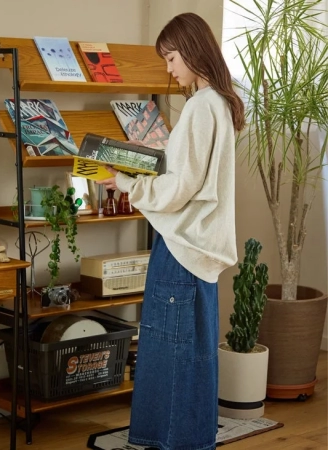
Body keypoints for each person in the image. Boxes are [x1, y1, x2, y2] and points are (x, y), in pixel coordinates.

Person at [96, 12, 245, 450]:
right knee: (191, 352)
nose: (169, 68)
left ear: (194, 51)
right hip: (198, 250)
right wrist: (152, 154)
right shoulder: (217, 102)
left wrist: (125, 183)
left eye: (173, 57)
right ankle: (187, 439)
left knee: (170, 352)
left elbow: (180, 187)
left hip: (181, 247)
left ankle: (172, 441)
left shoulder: (202, 107)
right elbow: (189, 171)